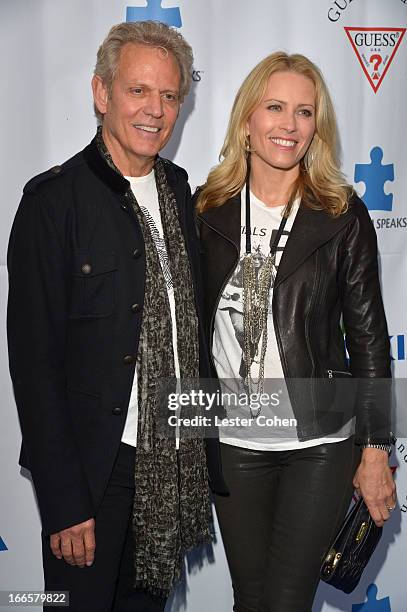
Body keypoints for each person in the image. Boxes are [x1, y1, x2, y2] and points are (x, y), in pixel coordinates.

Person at [7, 21, 225, 612]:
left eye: (170, 95)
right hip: (91, 476)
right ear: (102, 94)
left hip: (170, 465)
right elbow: (34, 366)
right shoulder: (52, 203)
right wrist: (65, 501)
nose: (155, 110)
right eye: (138, 91)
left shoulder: (181, 191)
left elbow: (192, 334)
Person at [196, 52, 396, 612]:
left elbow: (370, 340)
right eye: (275, 107)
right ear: (247, 121)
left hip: (319, 445)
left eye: (304, 112)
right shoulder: (207, 211)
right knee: (251, 600)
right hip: (234, 446)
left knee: (284, 603)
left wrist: (377, 450)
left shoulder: (341, 215)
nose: (289, 124)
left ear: (316, 128)